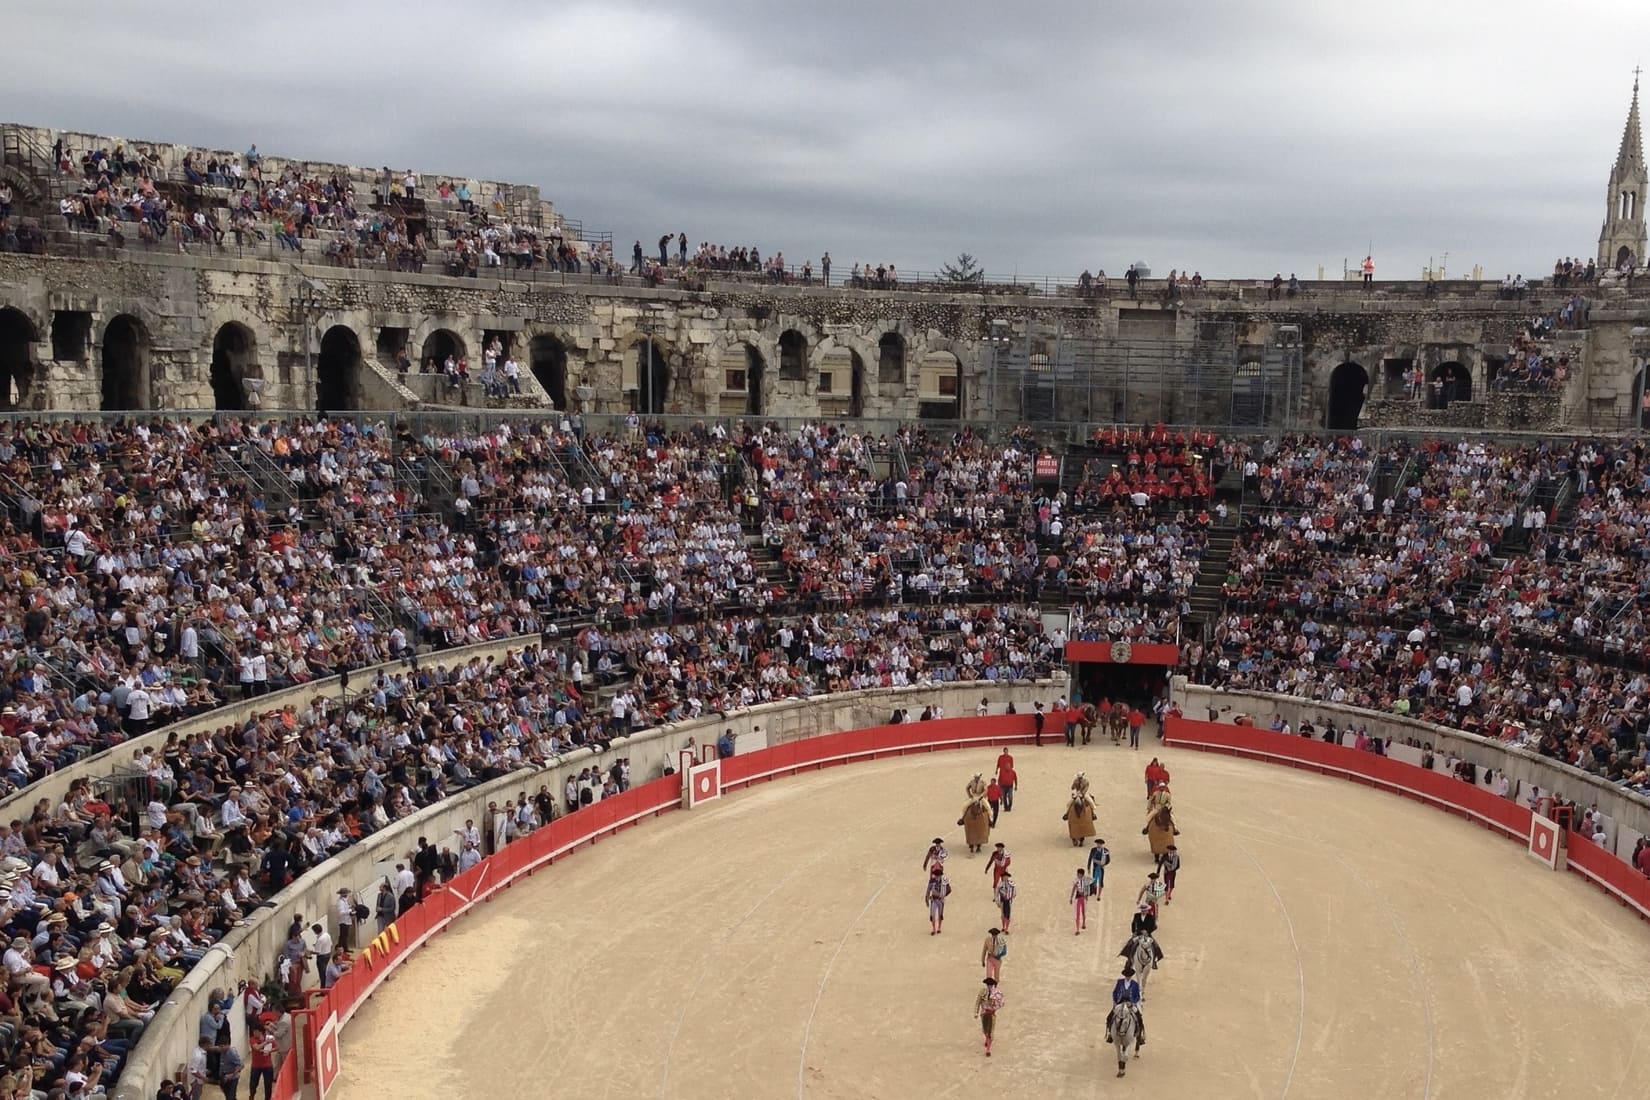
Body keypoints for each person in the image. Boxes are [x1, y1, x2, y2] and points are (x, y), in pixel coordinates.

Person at [1107, 965, 1145, 1047]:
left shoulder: (1135, 984)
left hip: (1130, 1004)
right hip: (1120, 1002)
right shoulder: (1120, 982)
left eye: (1129, 976)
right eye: (1127, 976)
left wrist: (1132, 1003)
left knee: (1139, 1017)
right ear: (1125, 976)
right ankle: (1110, 1034)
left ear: (1131, 976)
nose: (1128, 977)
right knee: (1109, 1016)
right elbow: (1114, 992)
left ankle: (1140, 1035)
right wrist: (1115, 1001)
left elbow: (1137, 996)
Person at [974, 977, 1004, 1057]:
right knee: (985, 1031)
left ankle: (988, 1050)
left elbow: (1001, 1004)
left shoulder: (997, 994)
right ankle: (987, 1039)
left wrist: (995, 1006)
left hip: (991, 1014)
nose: (989, 986)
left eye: (991, 985)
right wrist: (976, 1012)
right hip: (984, 1013)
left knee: (990, 1032)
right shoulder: (982, 992)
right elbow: (978, 1002)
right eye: (988, 985)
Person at [925, 865, 951, 934]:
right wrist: (926, 899)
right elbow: (928, 890)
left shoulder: (944, 881)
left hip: (940, 900)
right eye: (936, 875)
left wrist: (943, 895)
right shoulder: (932, 881)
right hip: (934, 899)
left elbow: (949, 889)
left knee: (940, 914)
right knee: (933, 914)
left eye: (938, 875)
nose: (937, 876)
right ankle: (934, 929)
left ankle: (939, 928)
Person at [994, 749, 1017, 813]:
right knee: (1004, 796)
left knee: (1009, 796)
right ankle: (1006, 807)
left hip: (1009, 782)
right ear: (1003, 751)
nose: (1006, 752)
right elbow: (998, 764)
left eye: (1006, 751)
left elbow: (1012, 767)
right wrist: (996, 770)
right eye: (1005, 751)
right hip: (1003, 778)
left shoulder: (1010, 758)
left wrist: (1010, 772)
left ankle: (1008, 807)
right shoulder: (1001, 757)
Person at [1070, 866, 1089, 934]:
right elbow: (1073, 889)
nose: (1077, 875)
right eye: (1077, 873)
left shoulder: (1085, 881)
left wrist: (1086, 896)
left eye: (1079, 874)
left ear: (1082, 874)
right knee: (1077, 913)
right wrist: (1071, 897)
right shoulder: (1076, 880)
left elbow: (1087, 890)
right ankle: (1077, 929)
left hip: (1083, 898)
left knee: (1083, 912)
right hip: (1078, 898)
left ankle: (1083, 923)